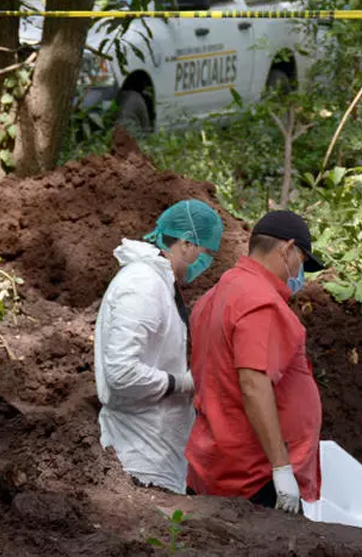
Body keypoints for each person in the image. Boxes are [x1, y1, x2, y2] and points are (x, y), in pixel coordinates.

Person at [186, 210, 325, 515]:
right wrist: (281, 468)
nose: (297, 273)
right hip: (252, 479)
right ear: (288, 250)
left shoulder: (217, 294)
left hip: (217, 462)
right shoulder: (259, 301)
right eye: (301, 261)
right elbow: (253, 384)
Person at [94, 199, 224, 494]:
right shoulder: (143, 285)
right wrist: (182, 383)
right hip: (139, 452)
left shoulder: (160, 283)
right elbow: (122, 373)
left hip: (157, 447)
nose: (207, 263)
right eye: (207, 253)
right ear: (186, 244)